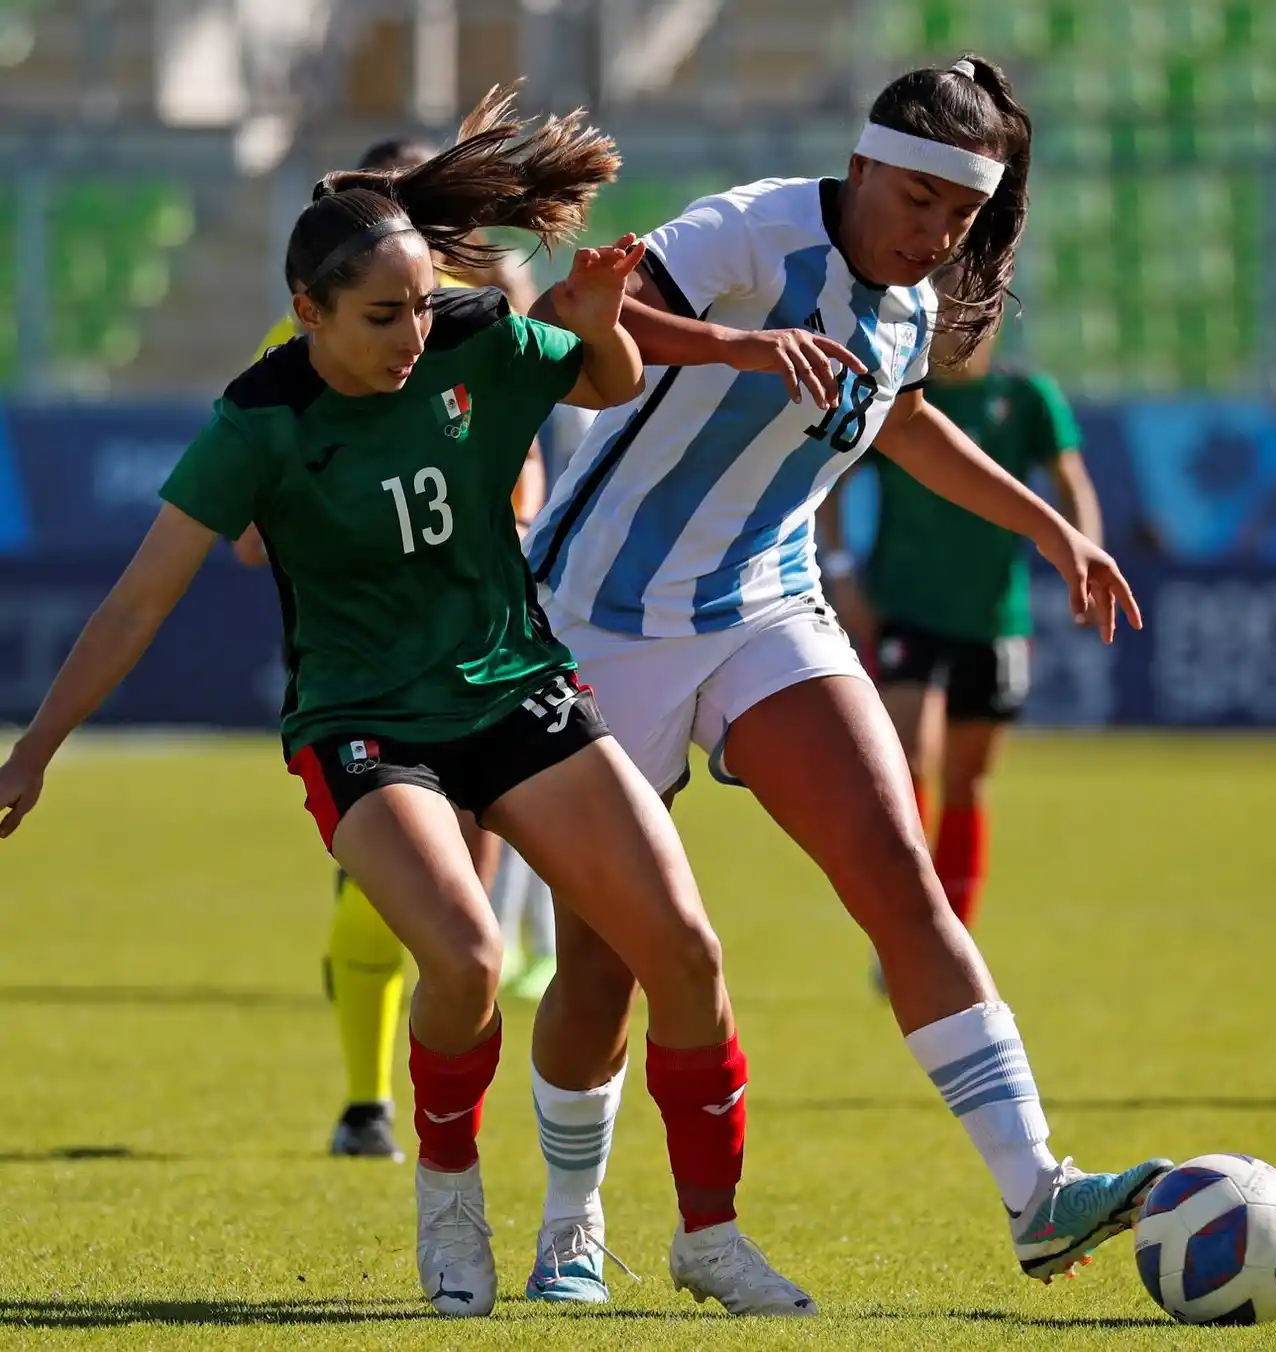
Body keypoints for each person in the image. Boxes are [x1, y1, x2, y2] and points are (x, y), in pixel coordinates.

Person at [0, 84, 824, 1319]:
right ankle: (448, 1196)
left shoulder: (473, 340)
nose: (411, 334)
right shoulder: (259, 420)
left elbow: (607, 382)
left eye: (422, 305)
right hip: (363, 725)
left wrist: (601, 320)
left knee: (687, 950)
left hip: (515, 688)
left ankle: (705, 1234)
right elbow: (134, 605)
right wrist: (35, 750)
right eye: (382, 316)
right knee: (468, 955)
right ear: (307, 312)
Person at [520, 54, 1170, 1303]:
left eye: (961, 216)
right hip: (601, 614)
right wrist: (744, 346)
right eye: (919, 200)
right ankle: (570, 1223)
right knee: (605, 960)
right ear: (864, 165)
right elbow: (574, 320)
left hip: (765, 602)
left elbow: (904, 423)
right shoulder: (753, 230)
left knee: (901, 878)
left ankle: (1039, 1193)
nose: (936, 234)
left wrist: (1052, 528)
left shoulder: (912, 305)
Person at [243, 135, 555, 1158]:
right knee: (384, 895)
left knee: (471, 909)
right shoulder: (301, 345)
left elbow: (524, 464)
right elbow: (247, 524)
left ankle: (449, 1113)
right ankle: (368, 1100)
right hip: (364, 670)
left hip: (479, 655)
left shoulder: (468, 320)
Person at [826, 295, 1102, 963]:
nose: (959, 320)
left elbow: (1072, 480)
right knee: (906, 761)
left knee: (968, 777)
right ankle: (908, 923)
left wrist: (1086, 551)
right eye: (946, 307)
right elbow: (835, 481)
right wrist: (840, 571)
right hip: (906, 607)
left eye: (974, 308)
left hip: (993, 616)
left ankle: (954, 932)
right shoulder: (902, 394)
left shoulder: (1027, 397)